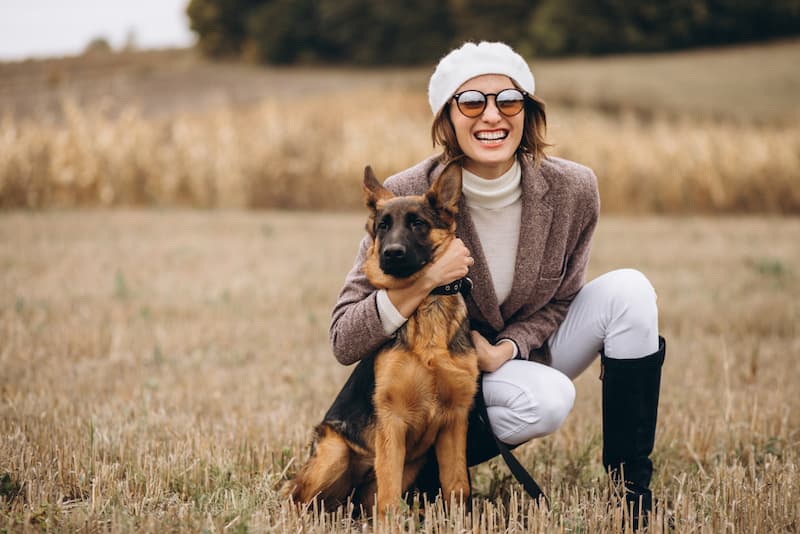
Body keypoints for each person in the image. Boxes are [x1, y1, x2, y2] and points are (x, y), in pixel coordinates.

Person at [329, 41, 666, 523]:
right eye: (471, 102)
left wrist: (506, 348)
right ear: (447, 118)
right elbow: (344, 337)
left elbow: (564, 298)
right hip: (442, 369)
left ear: (527, 111)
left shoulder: (574, 189)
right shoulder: (404, 195)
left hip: (520, 352)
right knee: (547, 401)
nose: (492, 115)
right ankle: (425, 475)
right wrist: (426, 280)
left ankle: (631, 495)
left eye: (508, 100)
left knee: (630, 290)